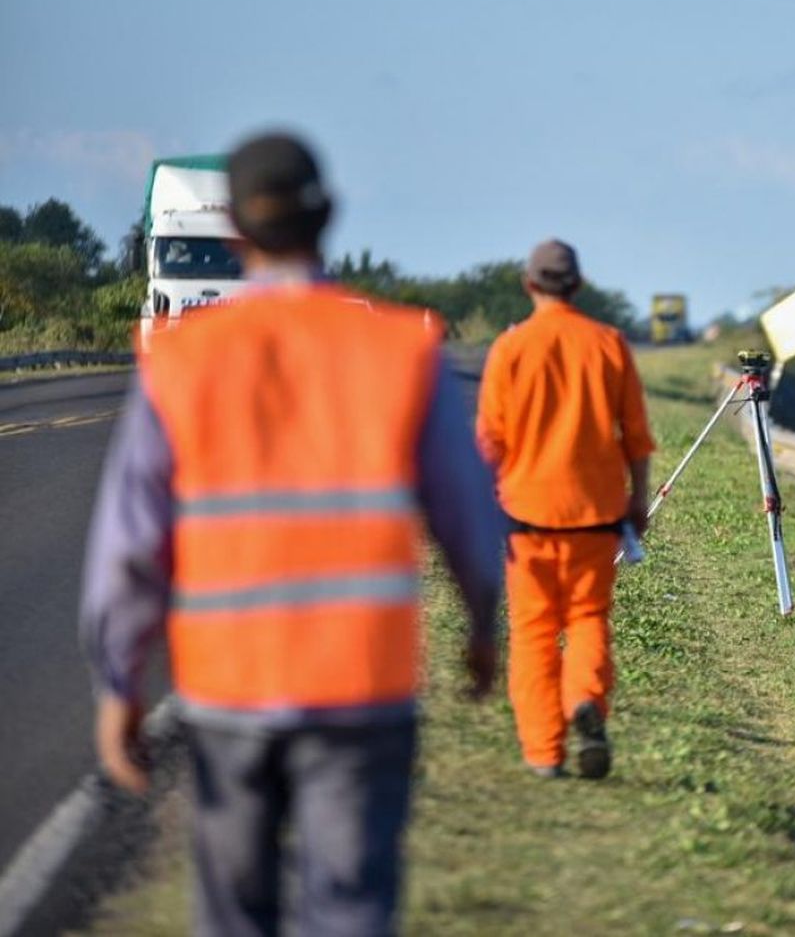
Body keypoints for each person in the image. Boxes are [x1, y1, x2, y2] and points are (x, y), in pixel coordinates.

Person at [80, 132, 503, 936]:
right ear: (331, 217)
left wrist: (120, 681)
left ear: (236, 230)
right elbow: (467, 514)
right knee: (347, 909)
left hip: (227, 685)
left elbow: (130, 546)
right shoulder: (399, 348)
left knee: (235, 913)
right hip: (359, 686)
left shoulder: (178, 358)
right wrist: (484, 627)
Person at [475, 238, 655, 780]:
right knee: (586, 618)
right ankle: (586, 700)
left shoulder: (510, 348)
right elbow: (638, 439)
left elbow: (489, 442)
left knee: (532, 631)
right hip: (595, 515)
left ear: (530, 284)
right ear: (577, 285)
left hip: (525, 515)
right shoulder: (609, 343)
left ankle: (544, 752)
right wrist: (638, 500)